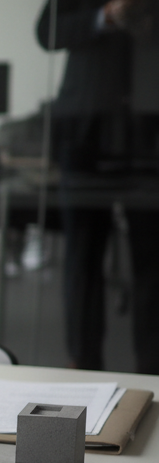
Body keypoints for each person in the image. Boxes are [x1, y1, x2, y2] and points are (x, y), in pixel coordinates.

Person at [38, 0, 159, 371]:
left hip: (148, 131)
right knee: (83, 255)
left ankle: (153, 368)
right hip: (85, 129)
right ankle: (82, 362)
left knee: (153, 261)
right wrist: (104, 17)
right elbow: (48, 32)